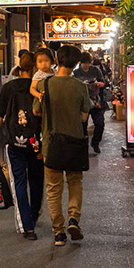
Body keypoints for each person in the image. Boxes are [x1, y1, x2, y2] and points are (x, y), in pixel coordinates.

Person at [38, 45, 91, 246]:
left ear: (57, 61)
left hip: (51, 145)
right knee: (75, 183)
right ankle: (73, 219)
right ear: (76, 63)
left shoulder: (45, 84)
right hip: (75, 143)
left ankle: (59, 233)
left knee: (53, 189)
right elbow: (84, 116)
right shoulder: (81, 86)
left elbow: (36, 111)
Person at [0, 52, 44, 239]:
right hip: (36, 141)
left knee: (18, 182)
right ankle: (34, 215)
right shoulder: (38, 87)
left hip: (13, 141)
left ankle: (28, 227)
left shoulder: (8, 87)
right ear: (34, 68)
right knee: (36, 180)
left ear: (19, 67)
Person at [72, 54, 109, 154]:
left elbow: (103, 83)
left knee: (99, 122)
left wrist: (97, 83)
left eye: (88, 63)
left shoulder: (96, 70)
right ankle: (83, 145)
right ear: (81, 63)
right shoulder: (76, 72)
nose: (86, 66)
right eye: (84, 64)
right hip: (82, 101)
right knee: (82, 125)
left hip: (95, 101)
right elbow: (73, 86)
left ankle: (95, 143)